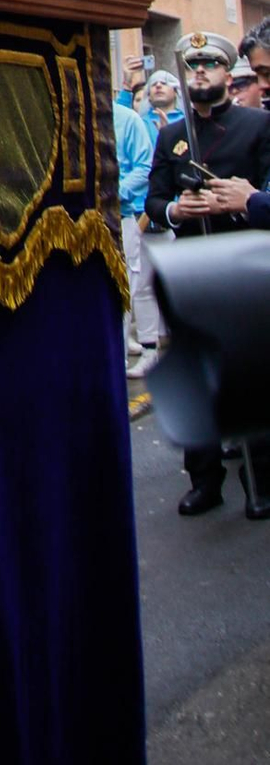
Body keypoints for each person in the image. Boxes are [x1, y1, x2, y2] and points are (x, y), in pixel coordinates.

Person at [145, 29, 270, 517]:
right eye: (192, 66)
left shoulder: (257, 126)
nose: (199, 73)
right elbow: (154, 200)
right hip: (189, 265)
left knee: (251, 369)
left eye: (210, 65)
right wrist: (177, 209)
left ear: (227, 73)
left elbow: (262, 189)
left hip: (240, 261)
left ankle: (260, 480)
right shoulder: (172, 136)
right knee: (195, 374)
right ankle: (204, 480)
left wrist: (238, 203)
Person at [114, 78, 161, 375]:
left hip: (121, 217)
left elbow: (145, 166)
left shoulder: (129, 120)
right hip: (78, 221)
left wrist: (114, 194)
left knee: (125, 287)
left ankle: (117, 359)